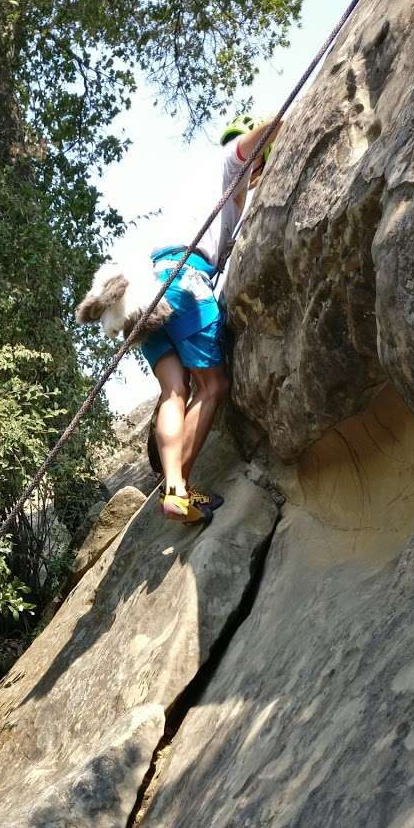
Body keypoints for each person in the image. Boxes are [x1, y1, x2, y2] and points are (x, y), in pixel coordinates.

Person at [140, 114, 281, 523]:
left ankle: (175, 491)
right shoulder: (231, 163)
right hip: (184, 278)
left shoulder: (213, 197)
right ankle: (178, 490)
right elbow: (273, 124)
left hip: (148, 287)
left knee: (173, 392)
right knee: (213, 383)